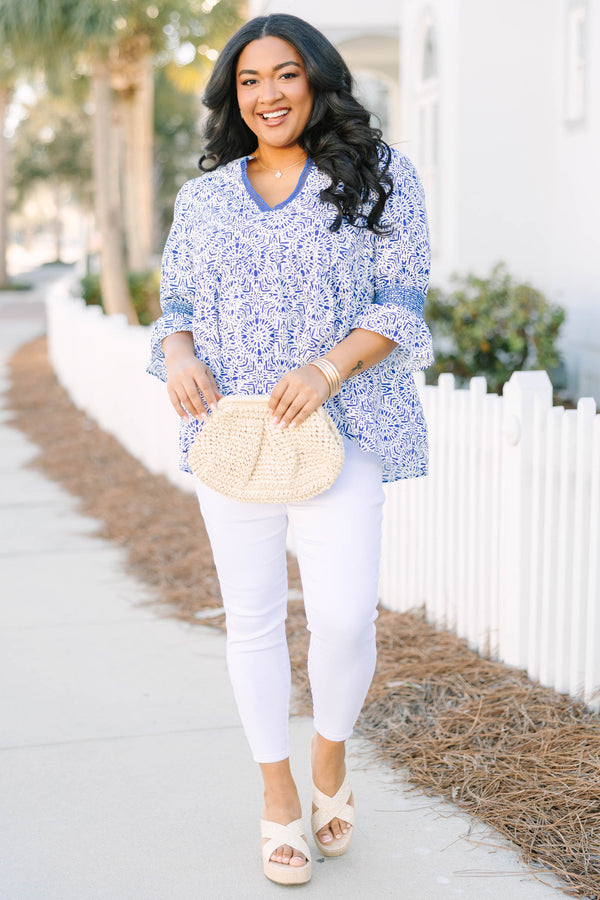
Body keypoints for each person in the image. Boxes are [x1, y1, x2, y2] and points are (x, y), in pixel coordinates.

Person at [148, 13, 433, 886]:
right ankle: (277, 796)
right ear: (232, 96)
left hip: (343, 429)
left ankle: (330, 756)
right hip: (233, 434)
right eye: (249, 80)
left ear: (316, 79)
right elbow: (175, 306)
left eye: (284, 75)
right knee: (254, 618)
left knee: (344, 617)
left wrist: (326, 369)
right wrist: (180, 357)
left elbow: (402, 299)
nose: (266, 94)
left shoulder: (381, 176)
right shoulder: (203, 200)